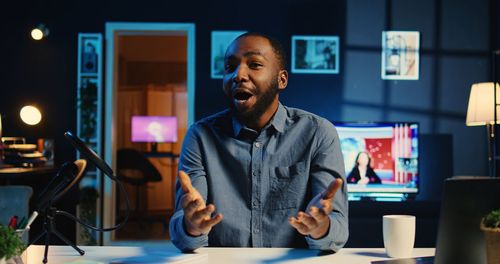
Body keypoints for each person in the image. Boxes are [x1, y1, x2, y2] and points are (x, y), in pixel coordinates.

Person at [169, 32, 348, 252]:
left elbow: (338, 228)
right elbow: (182, 232)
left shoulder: (318, 133)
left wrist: (321, 227)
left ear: (281, 79)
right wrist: (191, 225)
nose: (238, 75)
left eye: (254, 64)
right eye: (230, 67)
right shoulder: (199, 136)